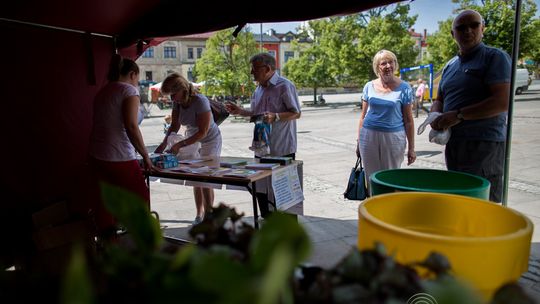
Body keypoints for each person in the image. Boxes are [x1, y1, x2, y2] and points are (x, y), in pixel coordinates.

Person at [430, 9, 511, 203]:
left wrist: (458, 115)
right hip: (455, 143)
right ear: (453, 34)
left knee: (481, 201)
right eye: (461, 27)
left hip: (484, 144)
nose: (468, 31)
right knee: (460, 198)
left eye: (474, 25)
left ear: (483, 28)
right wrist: (435, 116)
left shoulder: (494, 57)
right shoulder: (450, 65)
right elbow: (439, 98)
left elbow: (502, 101)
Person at [225, 53, 301, 218]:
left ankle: (288, 234)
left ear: (267, 69)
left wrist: (276, 116)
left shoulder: (285, 86)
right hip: (261, 148)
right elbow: (257, 114)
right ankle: (267, 223)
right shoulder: (258, 89)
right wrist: (240, 111)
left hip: (281, 148)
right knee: (261, 191)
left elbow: (296, 113)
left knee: (284, 195)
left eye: (254, 69)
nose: (251, 73)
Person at [88, 54, 154, 237]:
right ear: (132, 74)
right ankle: (144, 246)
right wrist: (146, 156)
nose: (137, 83)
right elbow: (131, 126)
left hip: (95, 154)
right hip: (118, 156)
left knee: (104, 205)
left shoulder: (103, 91)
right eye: (138, 79)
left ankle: (111, 248)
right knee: (140, 200)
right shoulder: (128, 91)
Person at [154, 72, 222, 225]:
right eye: (170, 95)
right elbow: (175, 125)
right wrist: (164, 143)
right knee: (194, 178)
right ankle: (199, 213)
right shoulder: (177, 102)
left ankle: (209, 217)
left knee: (206, 178)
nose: (172, 99)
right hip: (191, 137)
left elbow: (203, 131)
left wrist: (180, 145)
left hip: (210, 139)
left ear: (183, 89)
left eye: (173, 94)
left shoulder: (200, 101)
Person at [356, 50, 416, 193]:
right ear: (377, 67)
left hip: (393, 137)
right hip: (368, 136)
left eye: (391, 62)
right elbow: (363, 116)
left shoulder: (404, 88)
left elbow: (409, 120)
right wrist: (359, 142)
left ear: (395, 65)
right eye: (384, 63)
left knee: (390, 177)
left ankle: (387, 209)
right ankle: (373, 208)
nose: (388, 65)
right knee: (371, 178)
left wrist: (411, 148)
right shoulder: (369, 86)